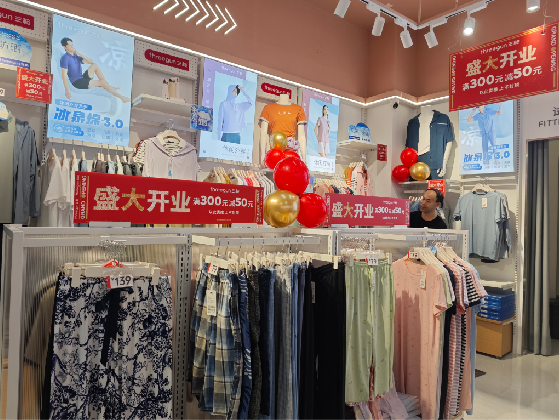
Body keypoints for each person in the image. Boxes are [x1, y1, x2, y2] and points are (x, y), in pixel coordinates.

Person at [59, 37, 131, 103]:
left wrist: (78, 53)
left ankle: (108, 87)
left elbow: (91, 61)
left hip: (82, 78)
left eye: (72, 44)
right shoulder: (65, 58)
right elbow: (64, 75)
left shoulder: (76, 56)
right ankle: (122, 98)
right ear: (64, 47)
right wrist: (67, 91)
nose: (72, 46)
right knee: (102, 83)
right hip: (77, 83)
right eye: (69, 45)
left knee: (94, 65)